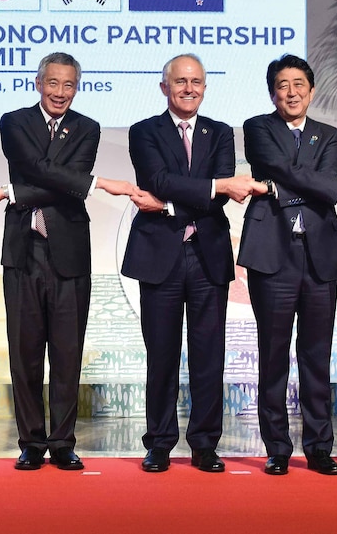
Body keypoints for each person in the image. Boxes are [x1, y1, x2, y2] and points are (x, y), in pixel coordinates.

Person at [0, 52, 143, 472]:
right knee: (24, 351)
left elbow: (65, 187)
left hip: (68, 253)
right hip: (22, 250)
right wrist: (95, 183)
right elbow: (39, 168)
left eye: (69, 85)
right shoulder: (14, 121)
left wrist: (14, 191)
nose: (60, 93)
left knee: (67, 352)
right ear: (38, 83)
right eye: (53, 83)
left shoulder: (88, 127)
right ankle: (31, 442)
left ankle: (63, 442)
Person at [236, 54, 337, 476]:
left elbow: (323, 189)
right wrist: (320, 185)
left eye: (299, 85)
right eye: (282, 85)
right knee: (273, 354)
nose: (291, 92)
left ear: (311, 91)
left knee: (317, 355)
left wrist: (280, 189)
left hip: (319, 255)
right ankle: (277, 446)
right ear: (272, 92)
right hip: (271, 252)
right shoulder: (258, 128)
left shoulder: (329, 134)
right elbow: (277, 167)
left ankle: (319, 448)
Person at [125, 54, 254, 474]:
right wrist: (211, 188)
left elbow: (203, 192)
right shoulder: (144, 131)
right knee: (161, 354)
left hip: (208, 255)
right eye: (180, 81)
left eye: (196, 81)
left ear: (204, 87)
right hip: (159, 255)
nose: (188, 88)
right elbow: (157, 179)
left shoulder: (220, 133)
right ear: (165, 87)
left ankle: (204, 444)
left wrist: (171, 202)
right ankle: (159, 443)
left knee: (208, 355)